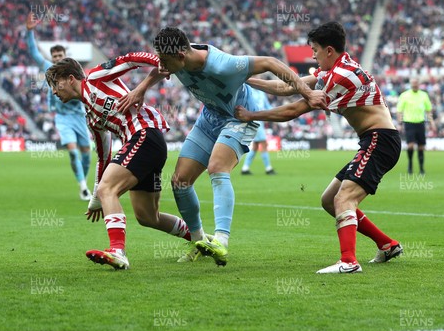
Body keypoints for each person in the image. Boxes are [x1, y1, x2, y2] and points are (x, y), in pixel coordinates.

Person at [118, 26, 326, 266]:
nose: (162, 66)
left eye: (165, 61)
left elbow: (270, 62)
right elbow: (159, 70)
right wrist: (140, 88)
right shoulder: (174, 59)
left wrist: (308, 94)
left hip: (240, 117)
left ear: (181, 57)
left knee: (217, 168)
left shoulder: (223, 64)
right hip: (209, 118)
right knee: (180, 182)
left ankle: (221, 241)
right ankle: (198, 241)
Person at [235, 21, 403, 274]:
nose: (311, 55)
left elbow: (293, 111)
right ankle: (387, 244)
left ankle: (348, 262)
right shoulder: (333, 70)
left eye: (314, 49)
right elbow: (286, 87)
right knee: (329, 201)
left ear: (329, 50)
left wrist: (251, 115)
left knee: (344, 198)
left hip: (381, 140)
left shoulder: (341, 76)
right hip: (374, 140)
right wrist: (247, 80)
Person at [45, 53, 192, 270]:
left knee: (109, 189)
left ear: (70, 78)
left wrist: (158, 63)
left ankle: (117, 251)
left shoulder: (96, 77)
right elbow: (103, 156)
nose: (54, 91)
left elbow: (129, 59)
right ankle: (200, 238)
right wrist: (97, 196)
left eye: (56, 84)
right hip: (146, 146)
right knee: (147, 216)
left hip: (144, 134)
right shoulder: (91, 117)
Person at [26, 13, 92, 200]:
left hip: (79, 116)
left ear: (65, 56)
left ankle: (84, 183)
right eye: (54, 56)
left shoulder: (74, 71)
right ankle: (83, 187)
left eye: (59, 56)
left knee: (86, 155)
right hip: (62, 118)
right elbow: (33, 53)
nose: (56, 59)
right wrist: (30, 32)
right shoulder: (48, 68)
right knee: (72, 151)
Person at [396, 78, 436, 174]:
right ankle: (410, 165)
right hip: (409, 123)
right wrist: (400, 123)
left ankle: (421, 168)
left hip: (420, 123)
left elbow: (428, 110)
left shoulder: (424, 95)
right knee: (410, 146)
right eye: (413, 84)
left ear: (419, 84)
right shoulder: (405, 95)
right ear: (411, 84)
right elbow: (399, 110)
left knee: (421, 147)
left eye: (416, 83)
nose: (415, 85)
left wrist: (432, 122)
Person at [240, 84, 275, 175]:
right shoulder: (249, 91)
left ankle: (245, 168)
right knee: (264, 143)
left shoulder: (262, 93)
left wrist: (277, 113)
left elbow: (267, 106)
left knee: (255, 146)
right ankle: (268, 168)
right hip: (254, 120)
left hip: (261, 120)